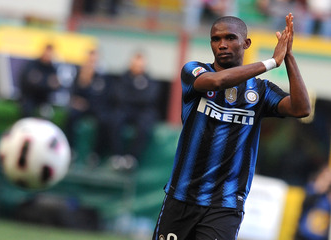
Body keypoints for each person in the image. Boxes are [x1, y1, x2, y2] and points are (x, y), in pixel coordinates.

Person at [153, 13, 311, 240]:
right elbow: (217, 82)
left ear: (246, 43)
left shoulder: (261, 91)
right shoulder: (194, 71)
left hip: (225, 205)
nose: (222, 45)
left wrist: (288, 57)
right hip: (181, 198)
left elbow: (301, 108)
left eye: (230, 38)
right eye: (216, 39)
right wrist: (270, 62)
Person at [108, 52, 159, 170]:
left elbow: (150, 97)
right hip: (125, 109)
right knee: (114, 120)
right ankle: (117, 155)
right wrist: (137, 96)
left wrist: (132, 96)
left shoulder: (149, 79)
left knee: (144, 125)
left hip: (143, 112)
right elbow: (119, 96)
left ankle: (131, 157)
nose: (138, 67)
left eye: (141, 65)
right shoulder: (123, 77)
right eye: (136, 65)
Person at [65, 49, 111, 162]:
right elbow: (73, 94)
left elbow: (103, 96)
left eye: (94, 61)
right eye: (89, 60)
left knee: (104, 121)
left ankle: (95, 154)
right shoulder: (79, 75)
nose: (91, 63)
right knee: (70, 116)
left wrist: (88, 101)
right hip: (80, 108)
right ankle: (70, 149)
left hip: (96, 108)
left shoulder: (102, 78)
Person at [19, 44, 60, 119]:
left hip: (43, 99)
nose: (48, 55)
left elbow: (56, 86)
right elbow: (28, 82)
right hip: (30, 97)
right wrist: (47, 83)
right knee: (27, 110)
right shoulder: (32, 64)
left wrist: (40, 82)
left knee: (47, 113)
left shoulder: (52, 68)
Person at [294, 164, 331, 240]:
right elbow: (303, 203)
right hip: (302, 236)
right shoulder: (310, 189)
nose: (326, 183)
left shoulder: (326, 198)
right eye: (325, 179)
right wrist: (318, 188)